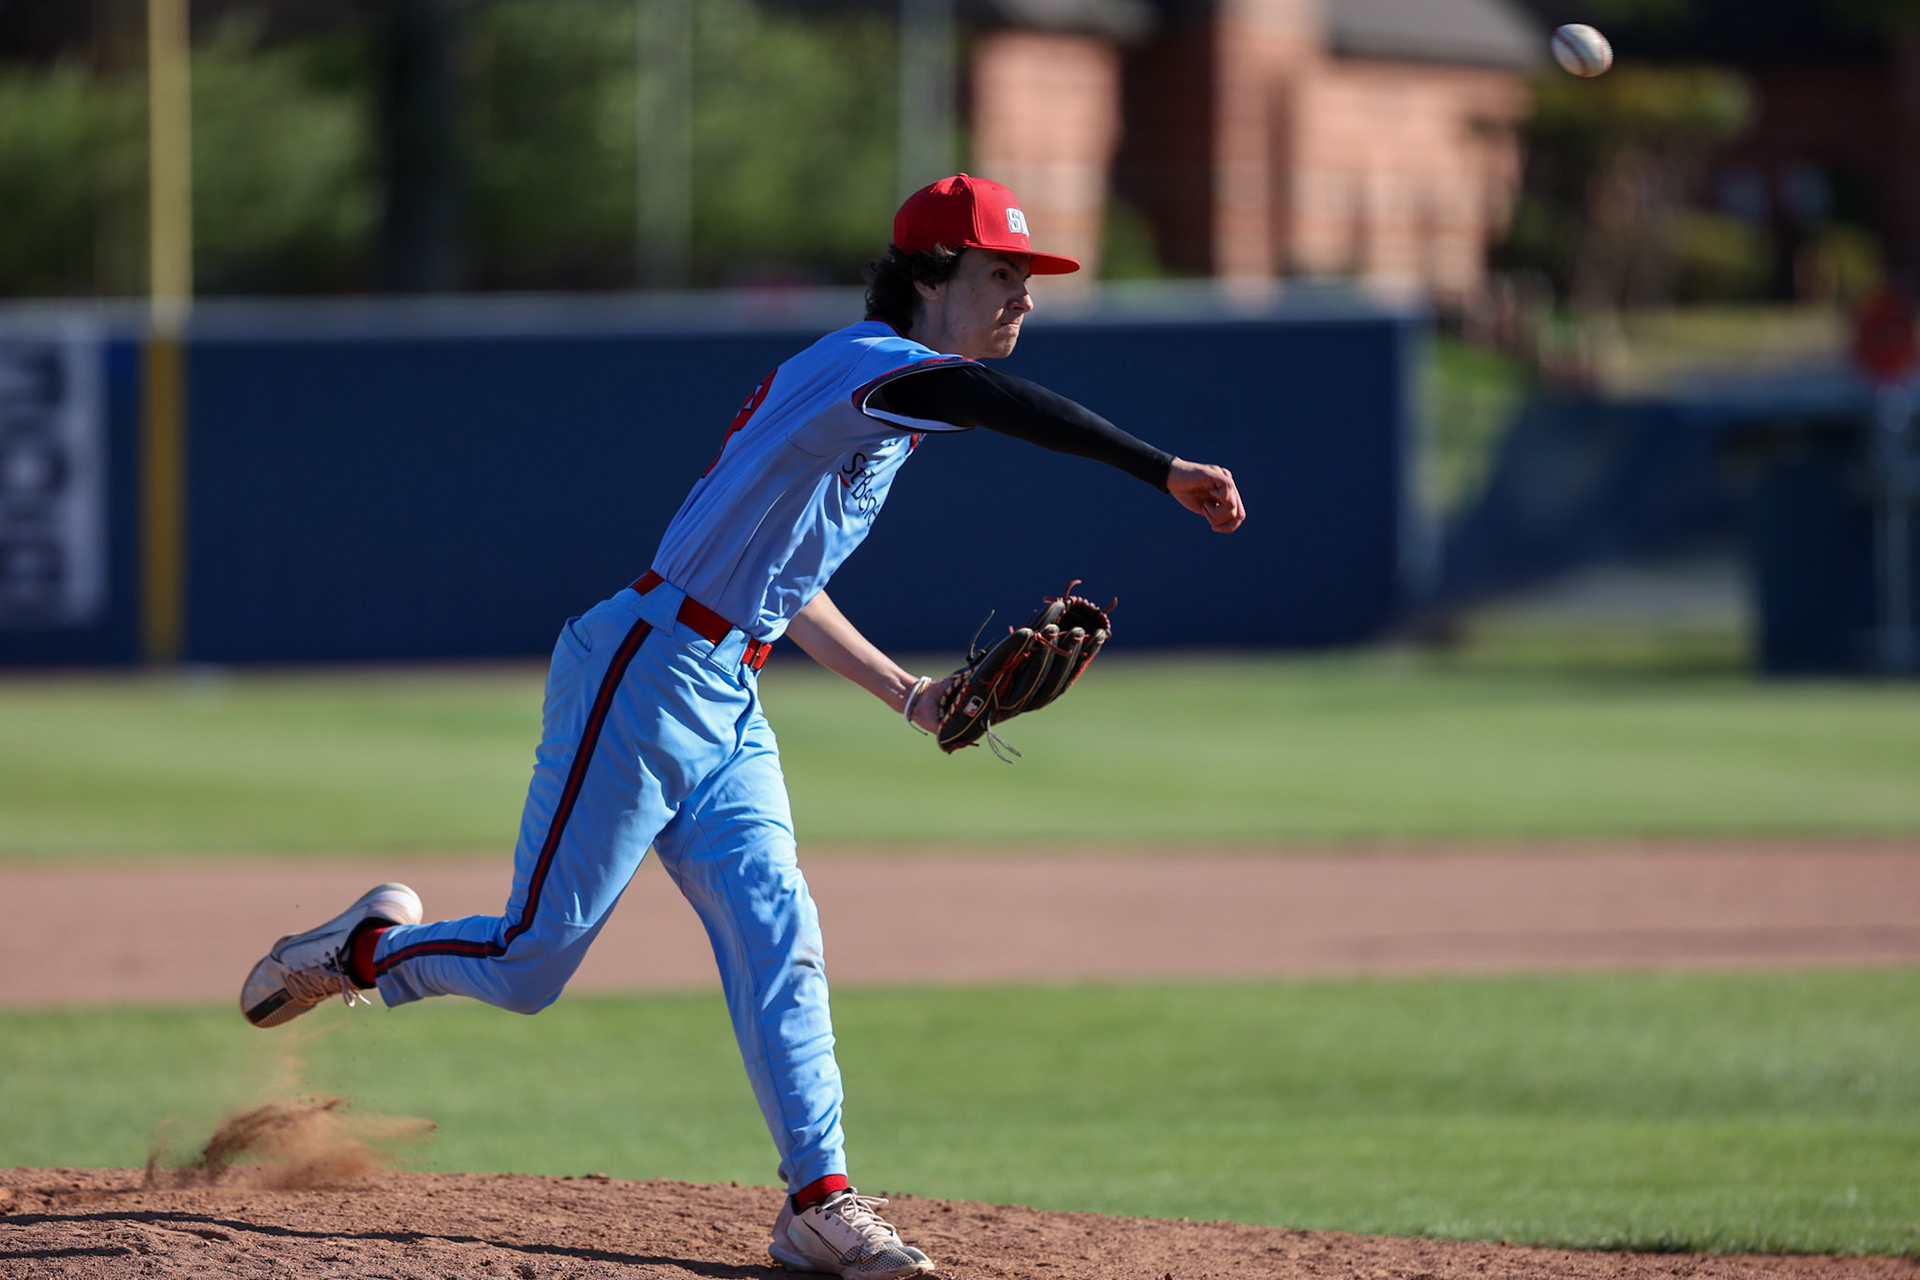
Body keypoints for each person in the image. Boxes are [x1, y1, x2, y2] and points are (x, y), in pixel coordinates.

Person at [240, 173, 1246, 1280]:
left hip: (726, 687)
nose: (1024, 297)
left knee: (780, 930)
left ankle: (819, 1198)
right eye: (1000, 272)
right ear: (926, 275)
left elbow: (787, 586)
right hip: (644, 666)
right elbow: (1000, 404)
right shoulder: (868, 367)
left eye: (1027, 278)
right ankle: (363, 949)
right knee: (531, 960)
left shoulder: (882, 410)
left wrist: (907, 694)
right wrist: (1161, 468)